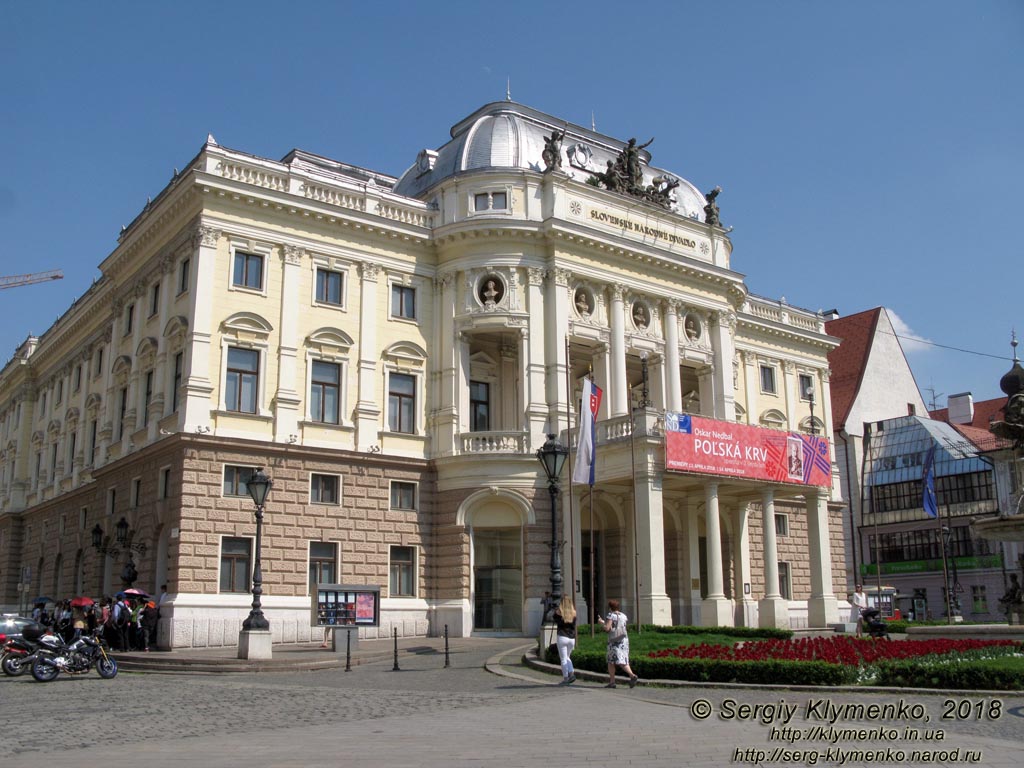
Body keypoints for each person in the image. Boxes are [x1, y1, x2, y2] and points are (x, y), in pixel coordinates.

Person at [595, 599, 638, 688]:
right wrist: (605, 623)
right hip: (624, 640)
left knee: (615, 661)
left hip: (614, 641)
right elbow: (617, 626)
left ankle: (631, 675)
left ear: (610, 607)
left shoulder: (611, 615)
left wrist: (601, 623)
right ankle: (612, 681)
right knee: (622, 659)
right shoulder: (623, 615)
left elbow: (607, 629)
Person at [552, 595, 577, 684]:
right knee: (567, 657)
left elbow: (554, 618)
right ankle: (571, 673)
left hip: (562, 636)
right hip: (571, 638)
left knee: (563, 658)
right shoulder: (574, 613)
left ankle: (567, 677)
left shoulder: (559, 612)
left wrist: (556, 611)